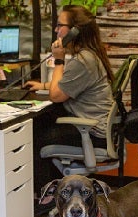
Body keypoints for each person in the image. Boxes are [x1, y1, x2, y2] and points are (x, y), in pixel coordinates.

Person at [25, 5, 114, 199]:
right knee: (40, 121)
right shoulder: (88, 55)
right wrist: (44, 84)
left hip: (90, 133)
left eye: (60, 25)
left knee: (33, 137)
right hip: (93, 127)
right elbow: (69, 85)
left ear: (75, 31)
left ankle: (46, 196)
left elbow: (57, 96)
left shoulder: (83, 60)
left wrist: (59, 60)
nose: (56, 30)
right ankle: (51, 189)